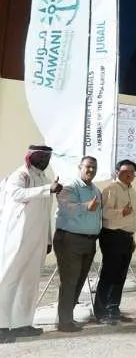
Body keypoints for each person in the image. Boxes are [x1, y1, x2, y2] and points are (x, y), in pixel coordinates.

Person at [0, 145, 62, 342]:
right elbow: (16, 194)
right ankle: (2, 326)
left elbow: (45, 213)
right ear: (31, 157)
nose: (44, 160)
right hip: (17, 237)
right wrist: (47, 189)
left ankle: (22, 323)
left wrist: (48, 239)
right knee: (8, 279)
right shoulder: (20, 175)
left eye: (47, 157)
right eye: (40, 156)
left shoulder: (45, 179)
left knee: (30, 281)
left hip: (37, 239)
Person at [52, 156, 103, 332]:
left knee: (79, 281)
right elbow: (66, 208)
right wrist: (86, 206)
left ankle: (67, 318)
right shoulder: (70, 186)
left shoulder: (95, 189)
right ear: (80, 167)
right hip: (70, 240)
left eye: (94, 167)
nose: (91, 170)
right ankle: (64, 322)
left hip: (89, 241)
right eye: (88, 167)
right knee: (69, 281)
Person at [95, 159, 136, 324]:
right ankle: (101, 312)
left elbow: (131, 217)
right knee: (109, 274)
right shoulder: (111, 189)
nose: (129, 174)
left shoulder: (131, 190)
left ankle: (113, 309)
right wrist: (121, 211)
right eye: (125, 171)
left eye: (132, 172)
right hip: (113, 235)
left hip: (126, 236)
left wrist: (132, 237)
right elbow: (104, 213)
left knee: (120, 275)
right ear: (116, 172)